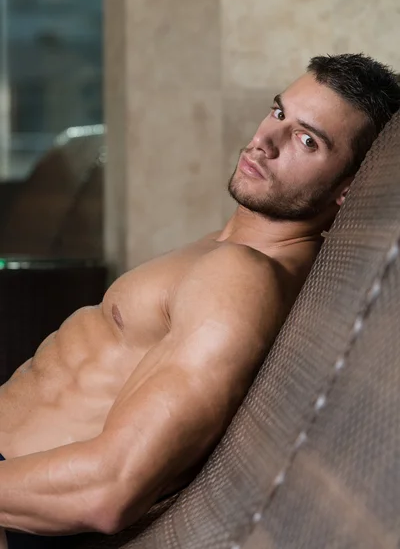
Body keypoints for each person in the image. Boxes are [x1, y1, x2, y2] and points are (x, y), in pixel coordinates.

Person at [0, 53, 399, 548]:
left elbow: (107, 489)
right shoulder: (231, 250)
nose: (264, 142)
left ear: (348, 187)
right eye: (278, 113)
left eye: (306, 140)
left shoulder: (241, 279)